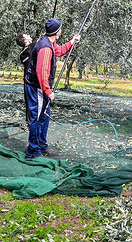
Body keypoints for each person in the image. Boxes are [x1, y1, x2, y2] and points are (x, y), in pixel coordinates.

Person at [23, 18, 80, 159]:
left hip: (39, 87)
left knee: (45, 116)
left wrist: (72, 42)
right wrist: (48, 91)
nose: (61, 30)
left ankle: (42, 146)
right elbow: (41, 72)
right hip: (36, 87)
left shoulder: (50, 43)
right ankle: (33, 152)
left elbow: (59, 51)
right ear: (57, 31)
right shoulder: (45, 48)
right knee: (36, 118)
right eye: (60, 28)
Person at [16, 33, 34, 128]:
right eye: (26, 35)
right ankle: (30, 124)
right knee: (30, 102)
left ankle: (29, 123)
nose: (29, 34)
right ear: (24, 39)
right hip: (30, 81)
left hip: (28, 80)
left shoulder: (23, 53)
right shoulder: (29, 49)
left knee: (29, 102)